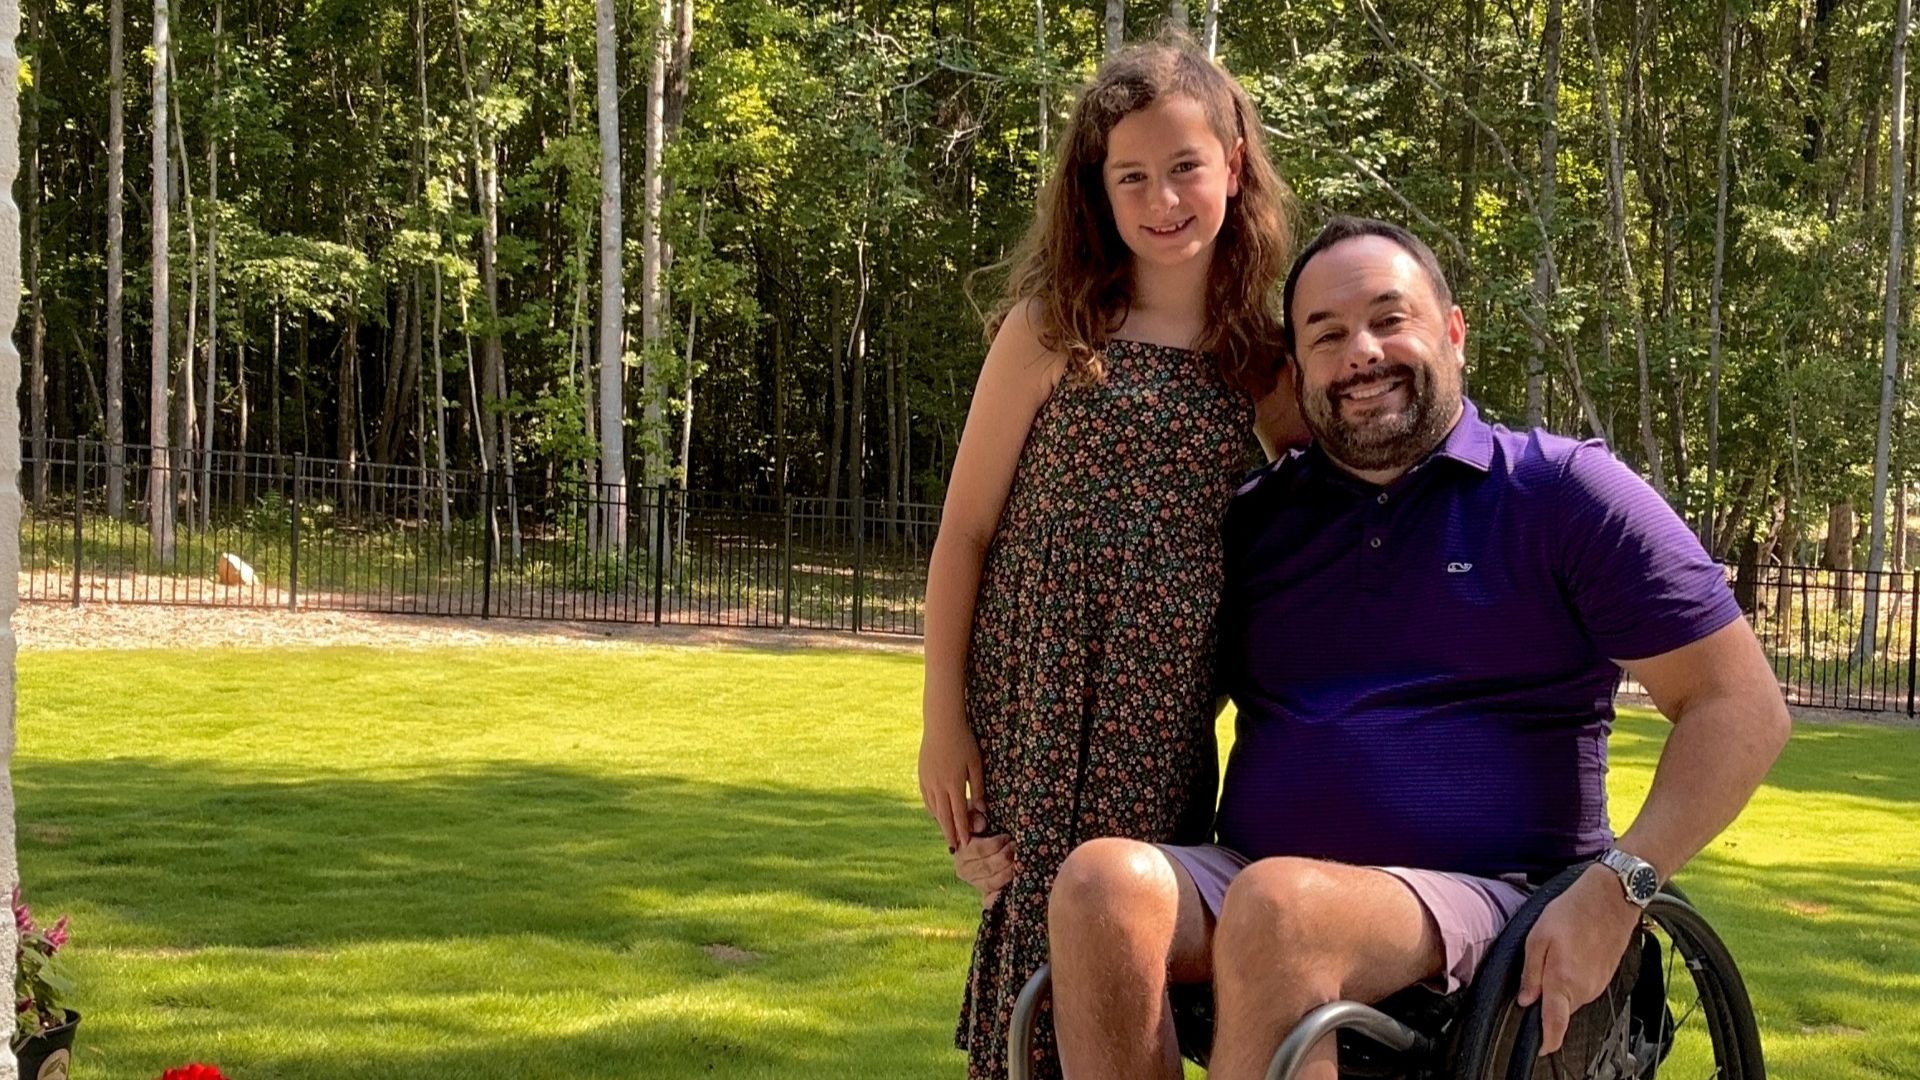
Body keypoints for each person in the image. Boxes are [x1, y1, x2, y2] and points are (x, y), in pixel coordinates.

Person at [1003, 216, 1791, 1080]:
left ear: (1453, 331)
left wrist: (1619, 888)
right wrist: (1001, 801)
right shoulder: (1258, 521)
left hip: (1498, 896)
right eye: (1327, 335)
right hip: (1264, 877)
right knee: (1098, 888)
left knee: (1282, 908)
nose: (1362, 353)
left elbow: (1740, 705)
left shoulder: (1562, 494)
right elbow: (1134, 682)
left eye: (1389, 318)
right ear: (1296, 371)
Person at [916, 36, 1303, 1080]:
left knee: (1125, 944)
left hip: (1164, 703)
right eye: (1131, 175)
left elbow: (1328, 520)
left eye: (1185, 167)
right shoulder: (1054, 326)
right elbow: (965, 534)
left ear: (1233, 164)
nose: (1162, 197)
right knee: (1030, 920)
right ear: (1099, 187)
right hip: (1036, 689)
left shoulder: (1260, 360)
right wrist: (941, 719)